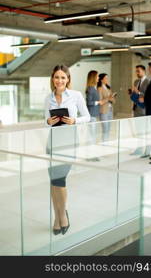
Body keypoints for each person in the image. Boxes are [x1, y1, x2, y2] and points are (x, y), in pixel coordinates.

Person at [45, 64, 90, 235]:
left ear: (68, 79)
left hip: (69, 142)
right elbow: (45, 120)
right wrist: (49, 122)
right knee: (53, 181)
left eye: (63, 77)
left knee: (60, 181)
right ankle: (56, 216)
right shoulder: (48, 98)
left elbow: (87, 116)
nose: (60, 80)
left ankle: (62, 215)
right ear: (53, 79)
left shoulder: (76, 95)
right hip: (52, 142)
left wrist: (74, 121)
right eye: (57, 77)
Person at [129, 65, 150, 156]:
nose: (137, 73)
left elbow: (150, 95)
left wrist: (139, 93)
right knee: (139, 131)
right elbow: (135, 94)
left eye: (138, 71)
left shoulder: (148, 82)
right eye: (136, 71)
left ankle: (147, 151)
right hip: (136, 109)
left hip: (144, 110)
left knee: (145, 131)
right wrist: (132, 93)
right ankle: (140, 148)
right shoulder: (136, 81)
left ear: (144, 71)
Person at [97, 73, 116, 142]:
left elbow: (112, 99)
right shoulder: (99, 88)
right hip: (104, 111)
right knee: (105, 128)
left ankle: (107, 142)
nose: (107, 80)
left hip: (110, 110)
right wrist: (108, 98)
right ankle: (104, 142)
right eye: (106, 78)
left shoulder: (108, 88)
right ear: (101, 80)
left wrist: (112, 98)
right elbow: (100, 101)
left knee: (108, 128)